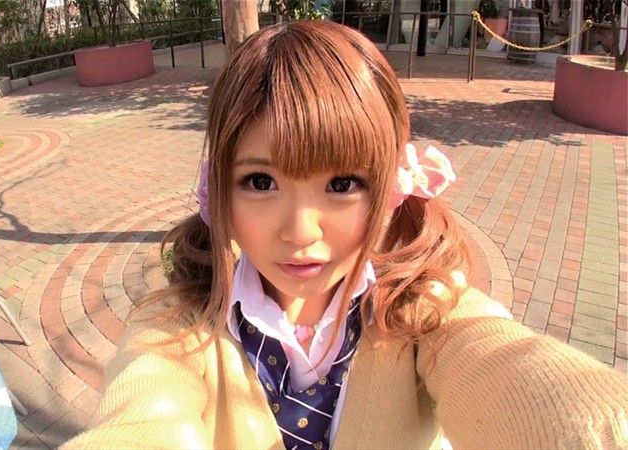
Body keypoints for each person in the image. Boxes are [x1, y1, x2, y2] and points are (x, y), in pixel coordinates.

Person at [64, 20, 627, 449]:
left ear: (391, 187)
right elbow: (142, 416)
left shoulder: (423, 310)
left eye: (342, 183)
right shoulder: (180, 325)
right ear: (220, 192)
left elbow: (508, 367)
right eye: (260, 182)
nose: (300, 232)